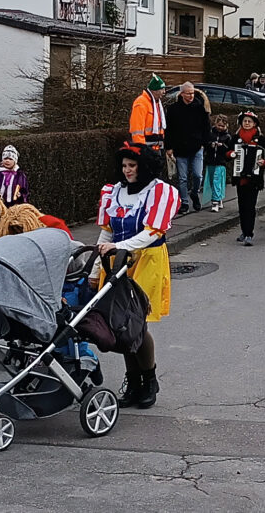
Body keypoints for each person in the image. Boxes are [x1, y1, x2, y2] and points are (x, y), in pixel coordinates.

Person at [95, 142, 179, 408]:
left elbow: (151, 233)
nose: (127, 170)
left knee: (137, 324)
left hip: (146, 260)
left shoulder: (160, 191)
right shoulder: (114, 192)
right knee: (120, 325)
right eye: (124, 166)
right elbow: (107, 232)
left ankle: (149, 380)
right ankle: (133, 382)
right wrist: (95, 268)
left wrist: (119, 246)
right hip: (117, 262)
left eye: (132, 166)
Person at [165, 82, 211, 214]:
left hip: (197, 147)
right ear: (182, 94)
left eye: (192, 93)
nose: (191, 96)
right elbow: (169, 130)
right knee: (182, 178)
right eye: (188, 93)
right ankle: (184, 202)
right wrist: (169, 147)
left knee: (198, 175)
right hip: (180, 148)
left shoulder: (200, 108)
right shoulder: (173, 109)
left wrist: (204, 143)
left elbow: (206, 127)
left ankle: (195, 193)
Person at [228, 111, 265, 246]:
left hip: (254, 178)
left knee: (250, 206)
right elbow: (227, 153)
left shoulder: (261, 140)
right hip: (240, 177)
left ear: (254, 124)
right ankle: (244, 231)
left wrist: (263, 162)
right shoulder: (236, 138)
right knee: (242, 205)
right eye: (244, 121)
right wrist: (231, 154)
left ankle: (248, 233)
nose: (246, 123)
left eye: (249, 121)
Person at [129, 73, 167, 152]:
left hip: (156, 148)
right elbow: (137, 129)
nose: (164, 92)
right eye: (162, 89)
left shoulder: (156, 103)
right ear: (155, 91)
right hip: (146, 149)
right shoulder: (141, 103)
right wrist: (141, 149)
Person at [203, 113, 233, 212]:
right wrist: (211, 145)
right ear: (215, 124)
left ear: (226, 126)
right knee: (212, 181)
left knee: (217, 180)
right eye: (219, 125)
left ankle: (215, 201)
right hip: (210, 161)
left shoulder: (227, 137)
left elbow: (229, 150)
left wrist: (222, 146)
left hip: (220, 162)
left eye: (222, 126)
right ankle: (219, 197)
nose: (220, 128)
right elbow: (205, 145)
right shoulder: (210, 134)